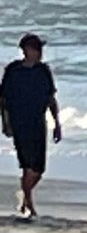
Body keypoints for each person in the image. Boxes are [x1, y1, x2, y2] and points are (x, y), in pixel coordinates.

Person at [0, 33, 62, 218]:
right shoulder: (13, 71)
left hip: (38, 122)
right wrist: (6, 122)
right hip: (20, 122)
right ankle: (28, 202)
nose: (40, 53)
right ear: (26, 50)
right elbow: (3, 100)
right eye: (36, 49)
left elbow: (51, 98)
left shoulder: (43, 71)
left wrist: (57, 123)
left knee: (39, 168)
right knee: (28, 164)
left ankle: (25, 195)